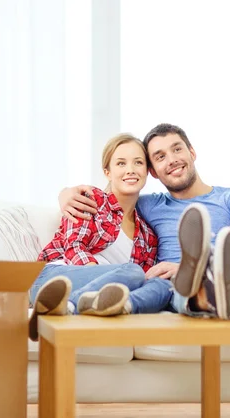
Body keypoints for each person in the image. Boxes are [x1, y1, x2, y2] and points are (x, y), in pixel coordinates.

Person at [59, 123, 230, 320]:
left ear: (192, 152)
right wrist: (66, 194)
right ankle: (203, 289)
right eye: (160, 157)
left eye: (177, 149)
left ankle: (208, 268)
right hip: (178, 289)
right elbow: (111, 197)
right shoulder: (149, 205)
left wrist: (185, 268)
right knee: (172, 288)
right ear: (152, 172)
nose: (171, 160)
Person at [28, 133, 173, 342]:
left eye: (138, 162)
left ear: (147, 171)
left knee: (162, 285)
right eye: (121, 163)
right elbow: (74, 247)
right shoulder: (91, 199)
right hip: (53, 281)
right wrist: (101, 278)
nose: (130, 170)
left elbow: (142, 281)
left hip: (97, 291)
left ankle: (77, 309)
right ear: (108, 172)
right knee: (133, 272)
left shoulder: (147, 235)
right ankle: (63, 308)